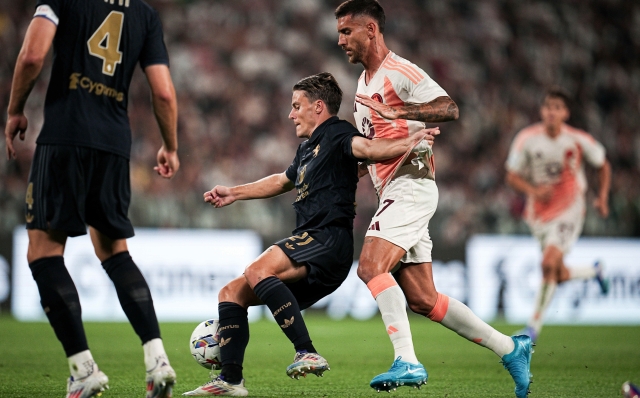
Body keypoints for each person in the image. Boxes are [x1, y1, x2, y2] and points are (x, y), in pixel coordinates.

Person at [182, 72, 437, 397]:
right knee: (230, 293)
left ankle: (306, 351)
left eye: (296, 106)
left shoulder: (339, 134)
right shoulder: (307, 150)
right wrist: (234, 192)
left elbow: (370, 149)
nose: (291, 114)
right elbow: (281, 181)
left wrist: (411, 139)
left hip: (327, 239)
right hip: (310, 242)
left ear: (318, 107)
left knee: (258, 269)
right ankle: (231, 381)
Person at [335, 1, 533, 397]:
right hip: (392, 190)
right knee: (423, 298)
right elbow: (377, 147)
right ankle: (511, 348)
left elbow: (449, 108)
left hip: (412, 184)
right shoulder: (361, 85)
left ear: (371, 29)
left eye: (347, 31)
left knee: (371, 266)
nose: (340, 40)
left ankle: (406, 359)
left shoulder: (400, 72)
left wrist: (399, 112)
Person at [4, 1, 179, 397]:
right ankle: (157, 360)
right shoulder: (145, 14)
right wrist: (171, 145)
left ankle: (83, 370)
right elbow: (164, 93)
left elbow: (32, 54)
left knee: (44, 253)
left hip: (66, 134)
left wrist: (14, 109)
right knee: (115, 252)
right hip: (114, 144)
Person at [505, 88, 611, 343]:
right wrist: (533, 190)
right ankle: (594, 271)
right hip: (538, 214)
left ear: (566, 113)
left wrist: (602, 197)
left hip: (570, 208)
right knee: (556, 272)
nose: (551, 112)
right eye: (547, 107)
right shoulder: (526, 138)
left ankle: (532, 329)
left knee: (547, 264)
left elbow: (603, 164)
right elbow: (511, 175)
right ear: (542, 111)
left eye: (557, 107)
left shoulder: (577, 139)